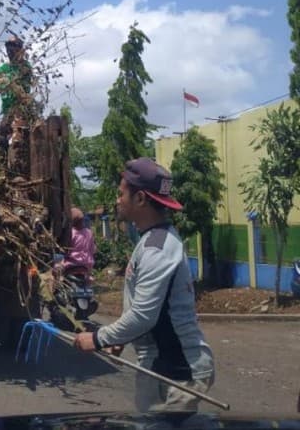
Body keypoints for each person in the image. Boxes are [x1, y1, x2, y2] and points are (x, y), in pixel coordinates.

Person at [73, 158, 215, 412]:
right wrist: (123, 338)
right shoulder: (152, 240)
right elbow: (150, 310)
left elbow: (144, 314)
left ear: (140, 199)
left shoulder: (157, 248)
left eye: (120, 194)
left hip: (176, 371)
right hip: (160, 366)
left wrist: (97, 338)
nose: (117, 200)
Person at [0, 36, 34, 158]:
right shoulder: (5, 68)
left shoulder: (25, 67)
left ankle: (19, 171)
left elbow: (16, 81)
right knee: (0, 143)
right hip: (8, 112)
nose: (10, 51)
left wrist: (3, 80)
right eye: (8, 48)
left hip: (21, 110)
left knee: (18, 144)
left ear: (20, 50)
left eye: (13, 47)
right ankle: (2, 171)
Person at [62, 207, 96, 276]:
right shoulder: (89, 233)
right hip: (86, 267)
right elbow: (93, 250)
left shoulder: (71, 233)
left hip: (71, 267)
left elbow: (65, 250)